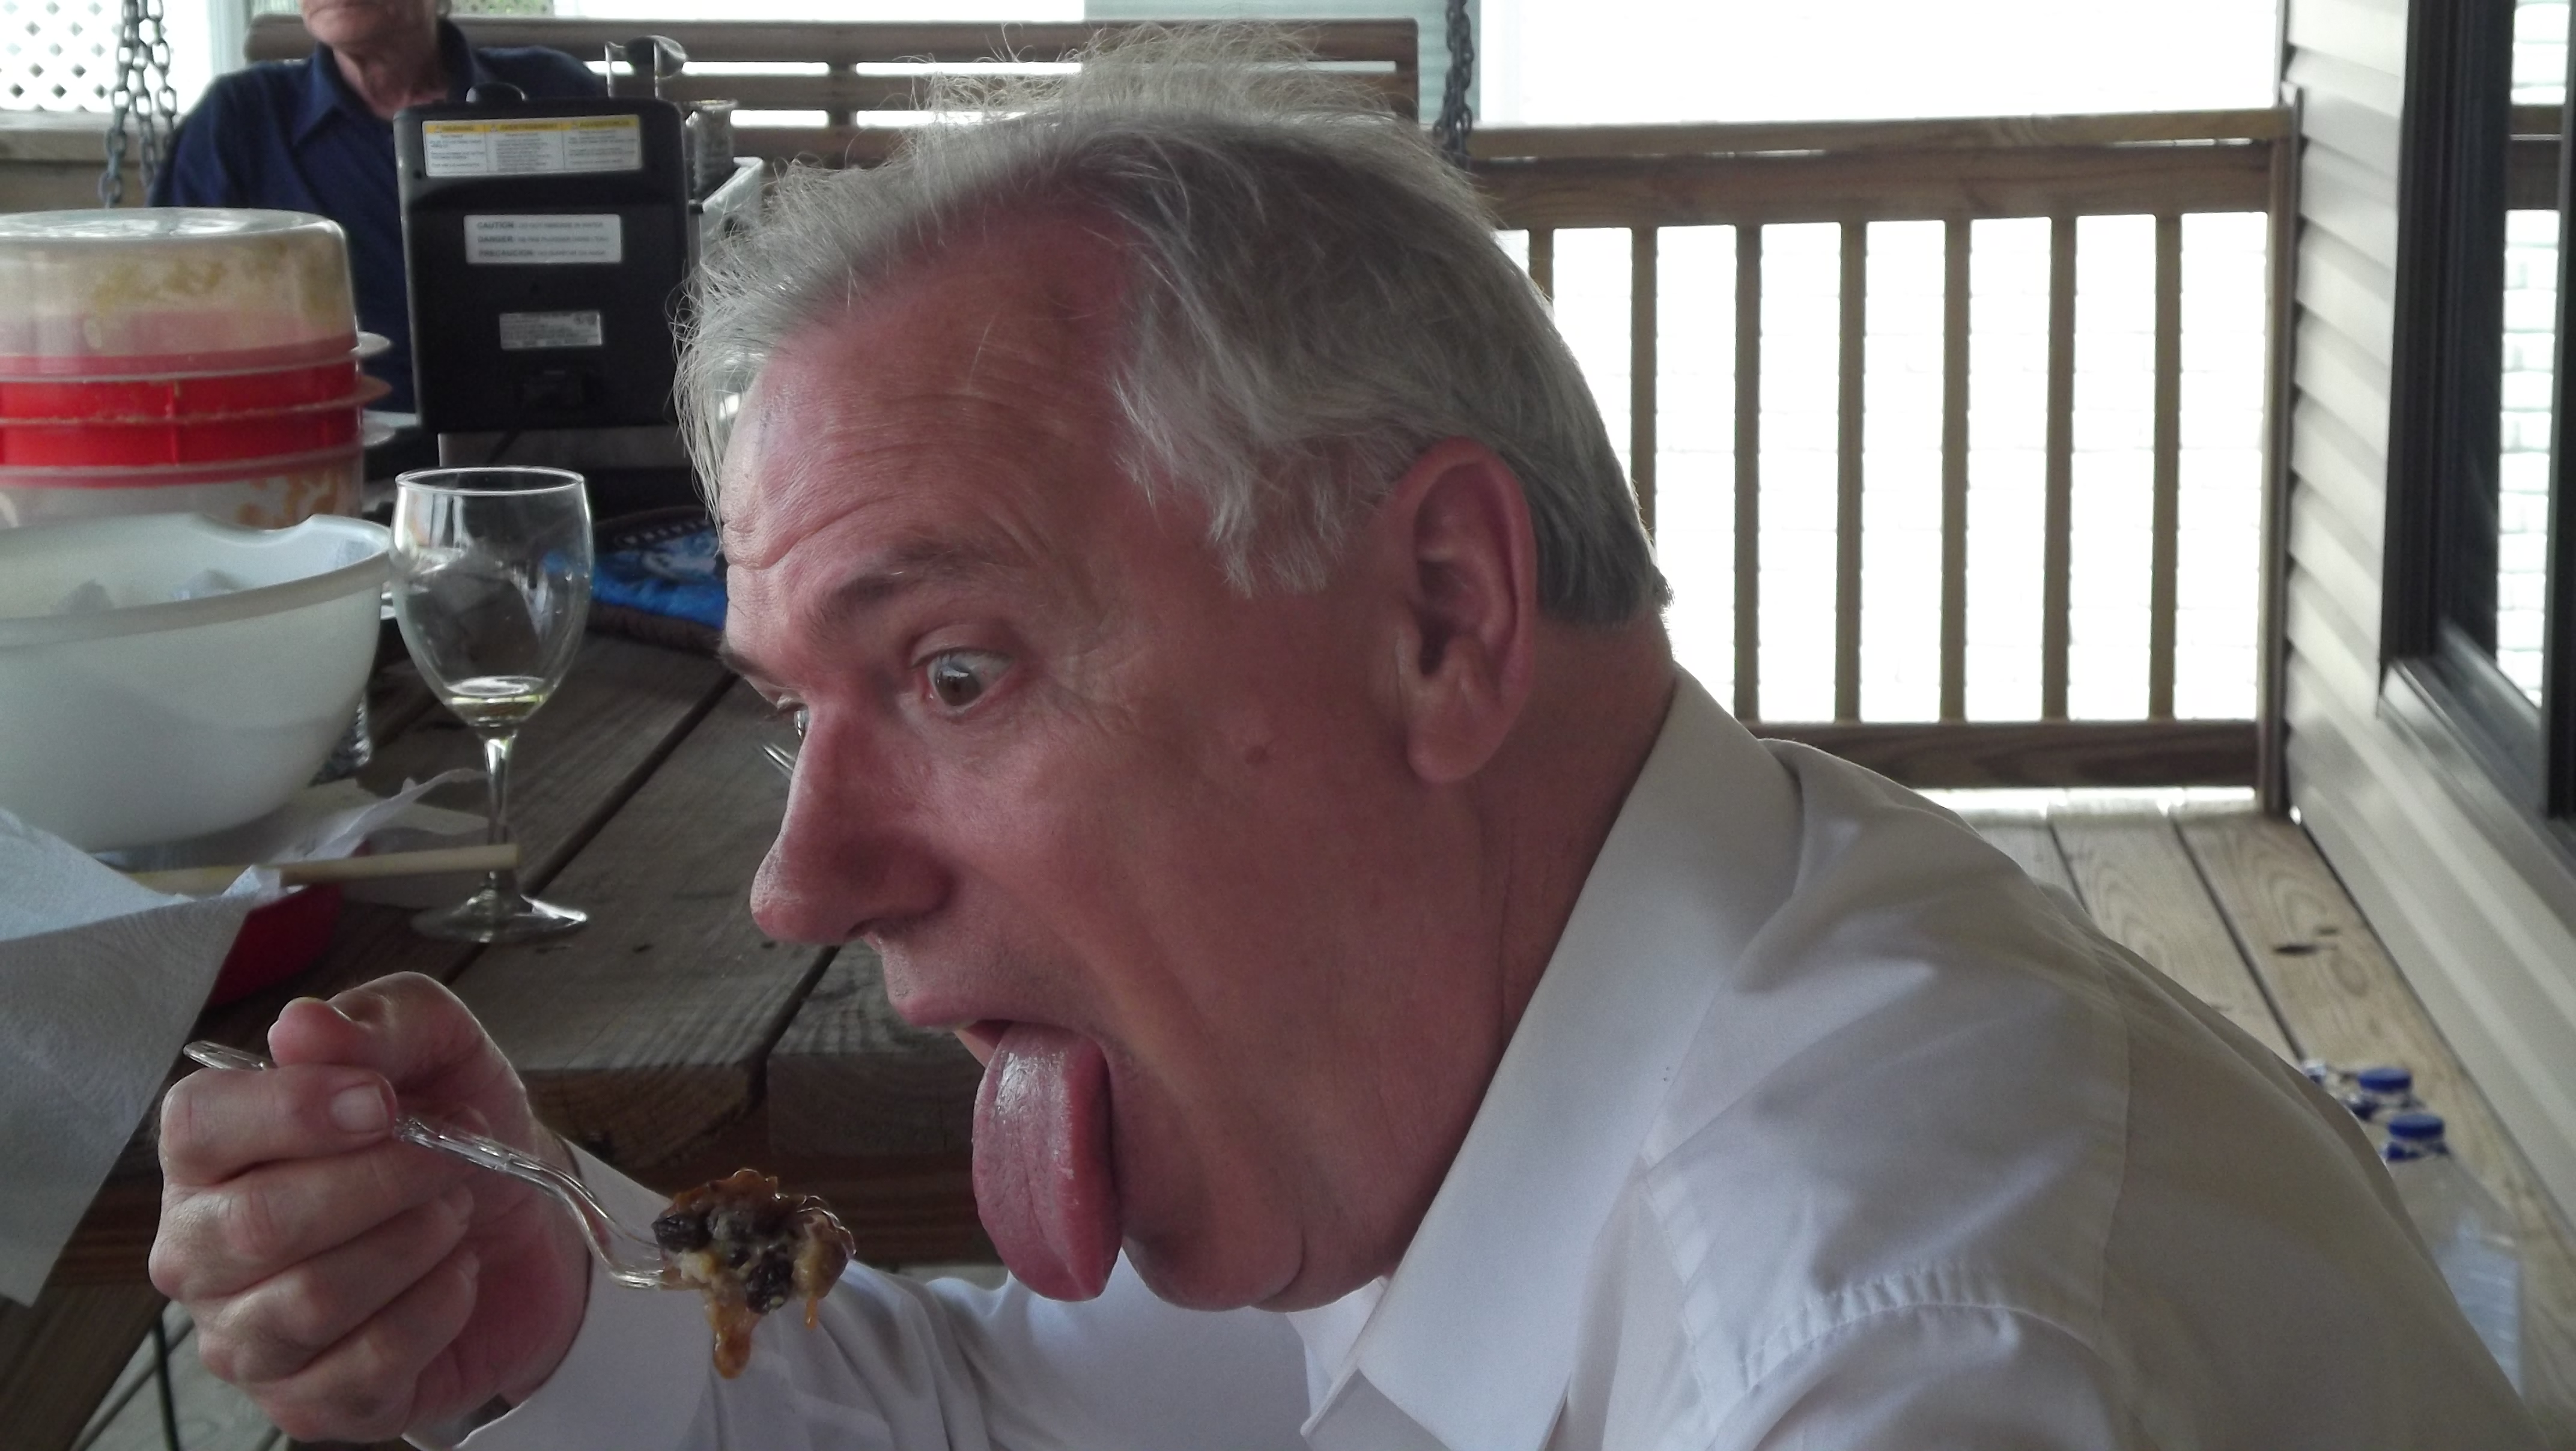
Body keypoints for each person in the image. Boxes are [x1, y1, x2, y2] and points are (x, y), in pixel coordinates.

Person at [148, 33, 2548, 1451]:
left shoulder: (1899, 1350)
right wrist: (554, 1301)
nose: (800, 878)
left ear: (1437, 619)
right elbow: (1031, 1411)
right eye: (801, 709)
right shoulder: (1434, 1024)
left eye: (955, 672)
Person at [150, 0, 603, 411]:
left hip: (544, 427)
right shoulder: (241, 118)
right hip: (324, 434)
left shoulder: (552, 89)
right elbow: (167, 307)